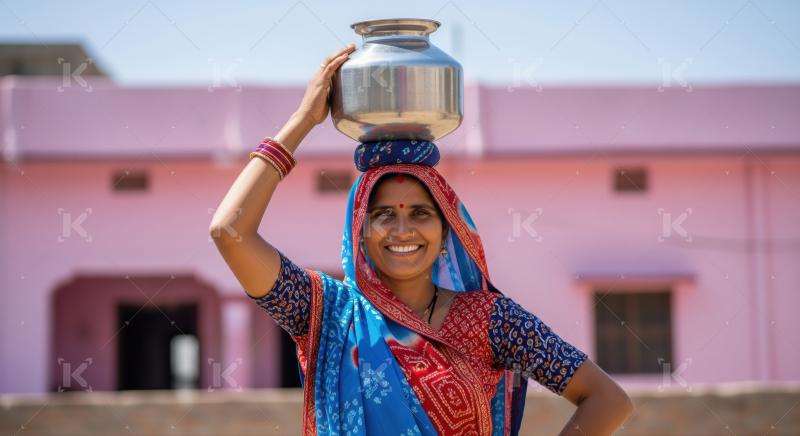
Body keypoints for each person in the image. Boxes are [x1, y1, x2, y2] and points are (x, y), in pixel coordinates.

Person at [210, 43, 633, 436]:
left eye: (420, 213)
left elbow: (607, 399)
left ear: (446, 228)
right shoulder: (324, 312)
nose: (402, 230)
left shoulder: (489, 320)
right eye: (383, 215)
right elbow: (229, 231)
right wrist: (303, 120)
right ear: (359, 229)